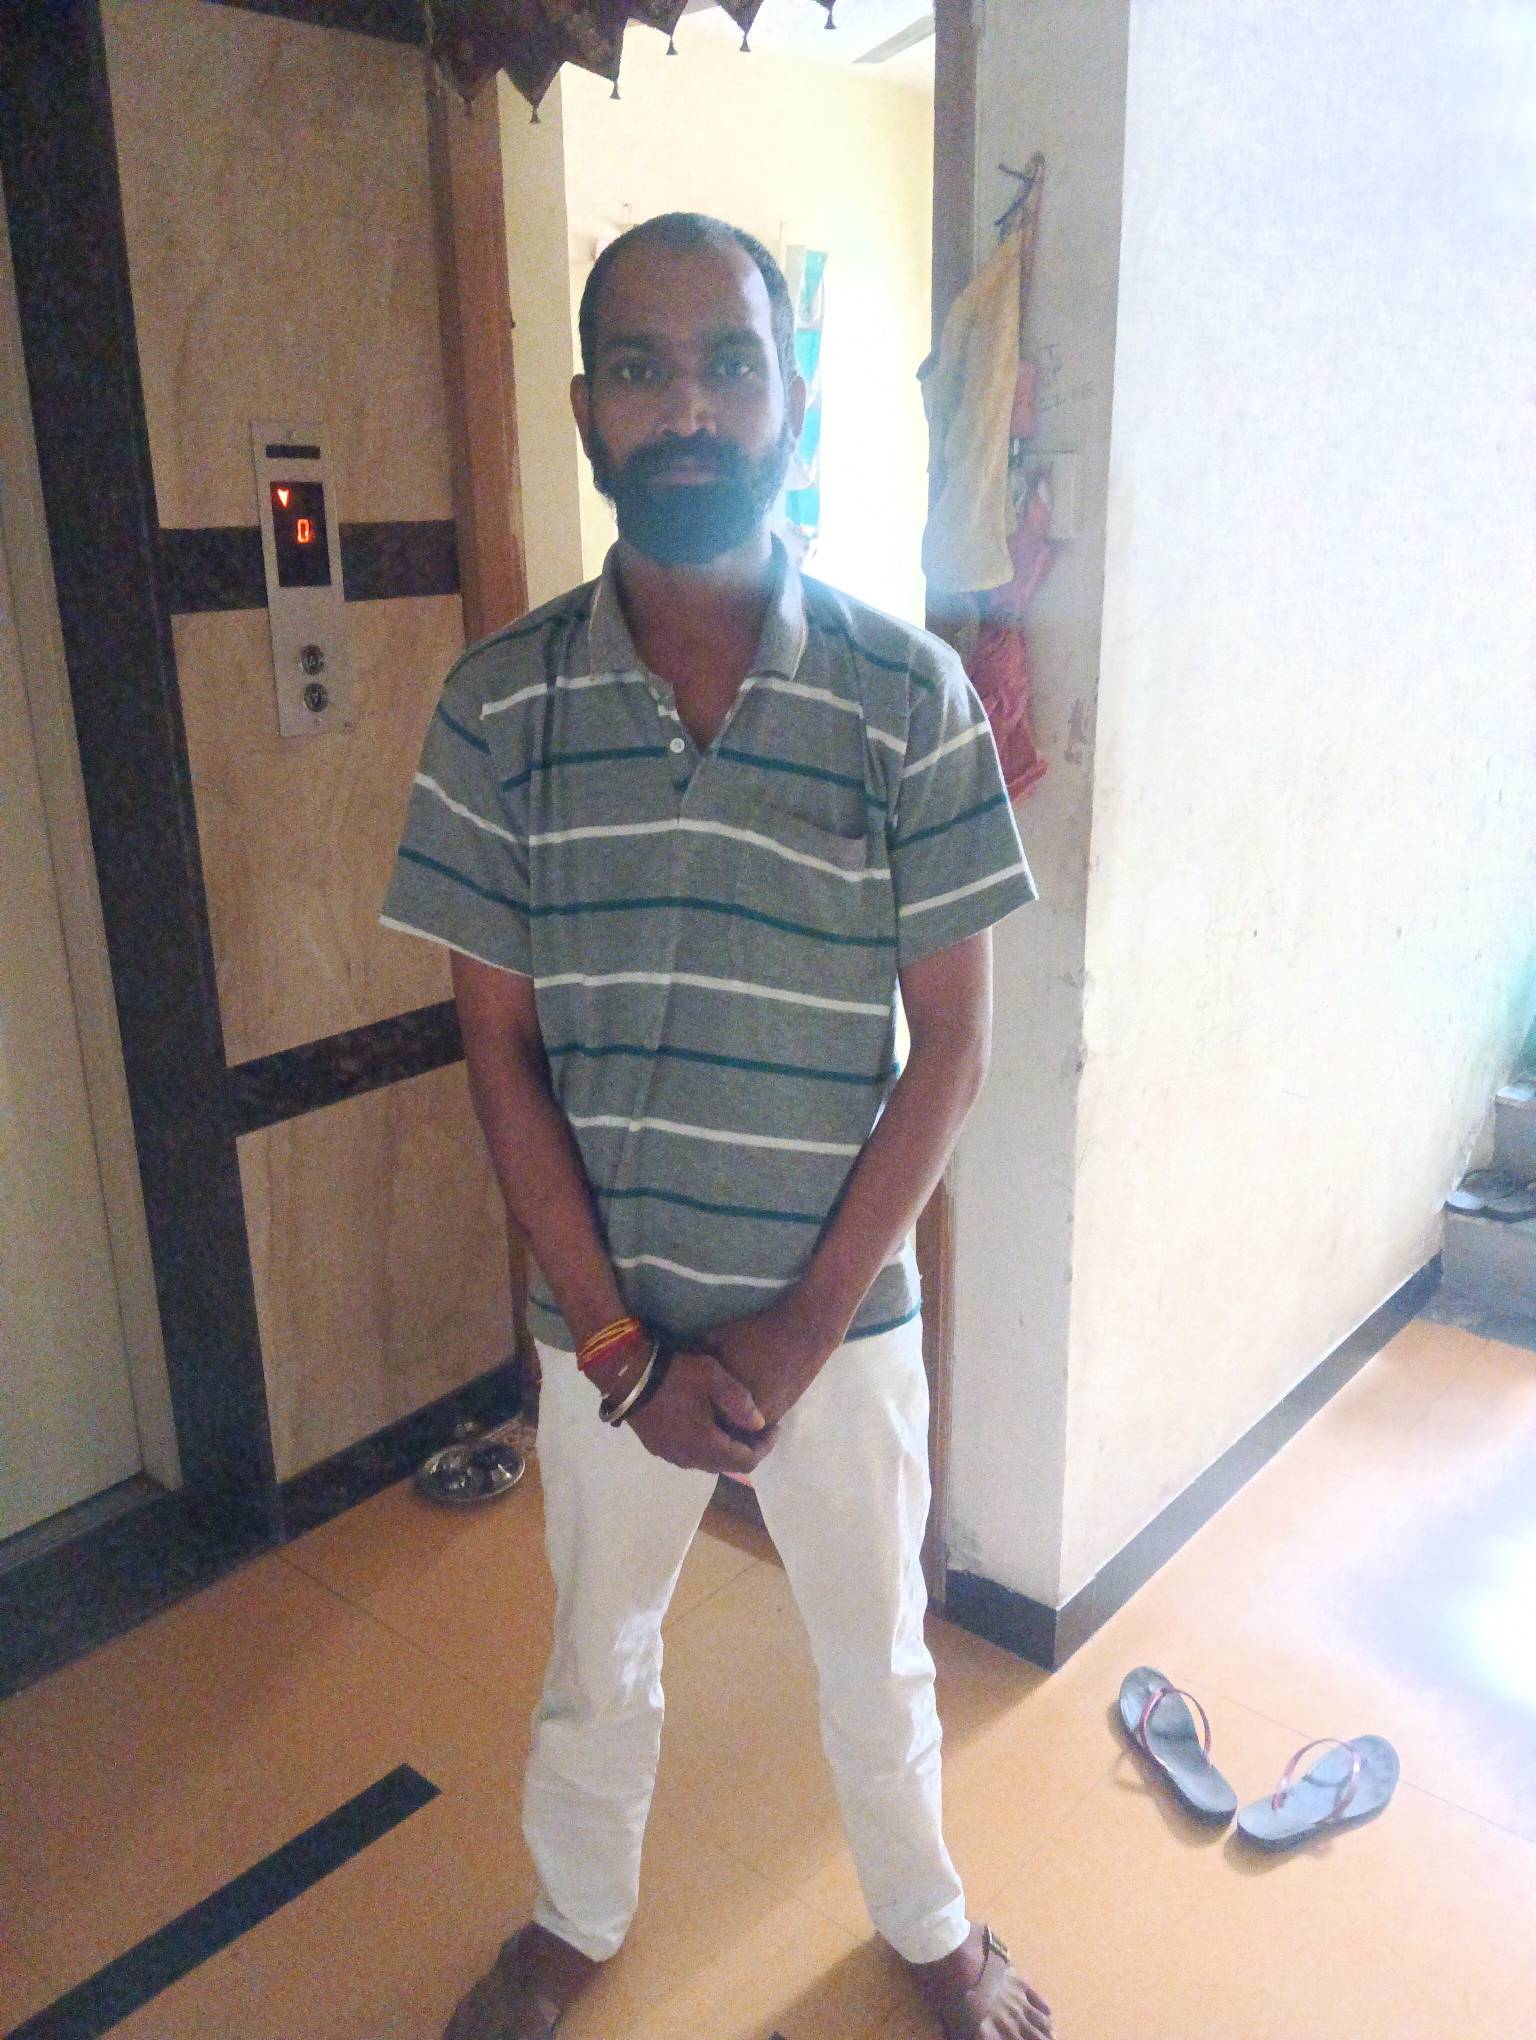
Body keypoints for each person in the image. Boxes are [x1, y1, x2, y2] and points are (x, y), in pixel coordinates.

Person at [381, 211, 1052, 2040]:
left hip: (841, 1320)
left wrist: (798, 1332)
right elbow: (497, 1049)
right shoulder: (498, 708)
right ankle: (575, 1919)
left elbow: (955, 1045)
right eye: (643, 368)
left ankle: (927, 1923)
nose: (687, 408)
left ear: (793, 405)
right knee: (596, 1658)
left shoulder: (906, 696)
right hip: (604, 1331)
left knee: (878, 1656)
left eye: (728, 365)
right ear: (587, 410)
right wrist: (618, 1347)